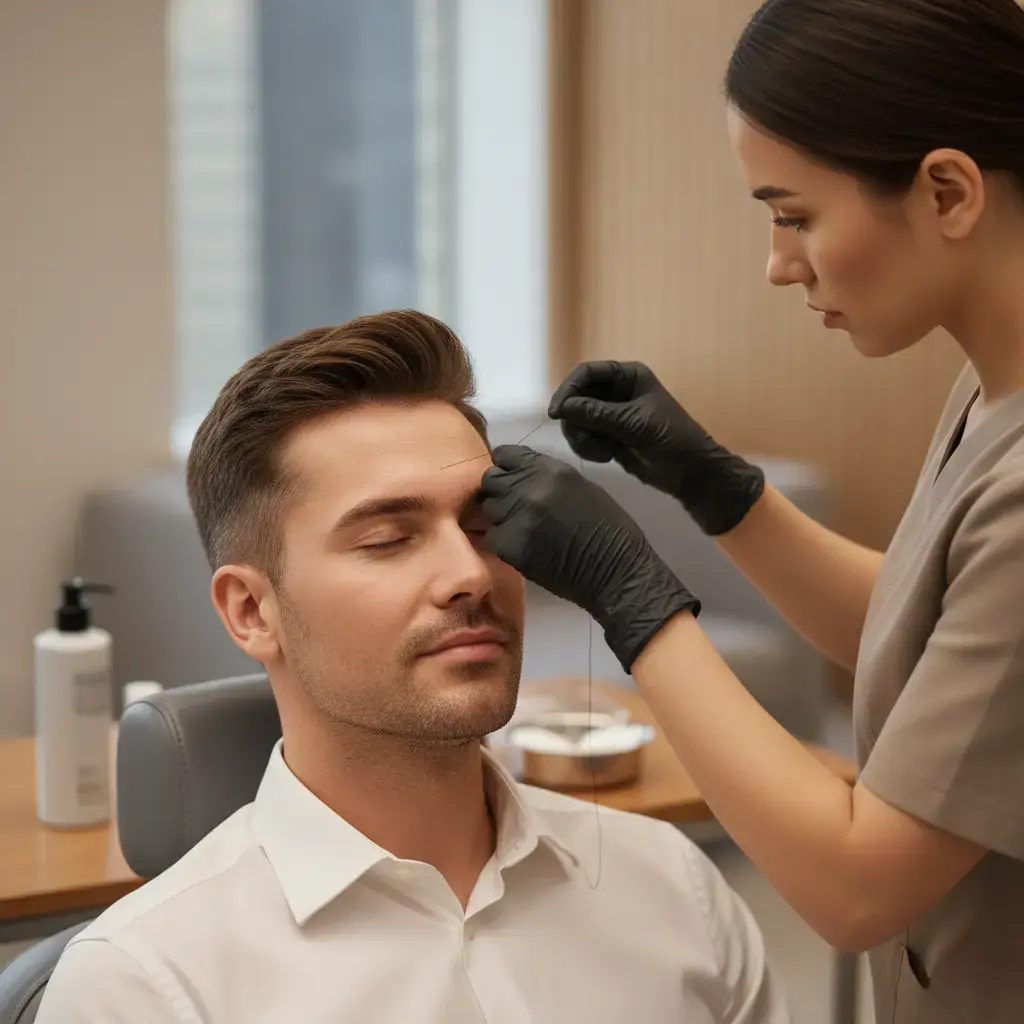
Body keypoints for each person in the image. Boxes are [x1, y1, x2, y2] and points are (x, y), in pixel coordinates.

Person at [479, 1, 1024, 1021]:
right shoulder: (990, 391)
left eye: (796, 215)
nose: (779, 262)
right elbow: (946, 640)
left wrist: (632, 598)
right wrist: (719, 490)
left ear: (947, 191)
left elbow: (856, 884)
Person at [36, 310, 788, 1024]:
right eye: (389, 540)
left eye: (486, 526)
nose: (471, 573)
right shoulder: (146, 986)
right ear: (251, 612)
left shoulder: (677, 889)